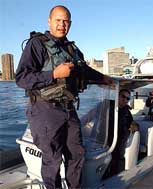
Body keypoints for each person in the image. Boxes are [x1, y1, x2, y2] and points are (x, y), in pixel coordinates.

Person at [15, 5, 113, 189]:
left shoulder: (71, 48)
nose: (62, 24)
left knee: (76, 154)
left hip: (68, 109)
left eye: (66, 21)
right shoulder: (36, 44)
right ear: (49, 21)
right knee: (52, 159)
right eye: (58, 20)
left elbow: (84, 70)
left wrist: (104, 79)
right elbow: (21, 78)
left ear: (70, 23)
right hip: (45, 110)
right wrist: (54, 74)